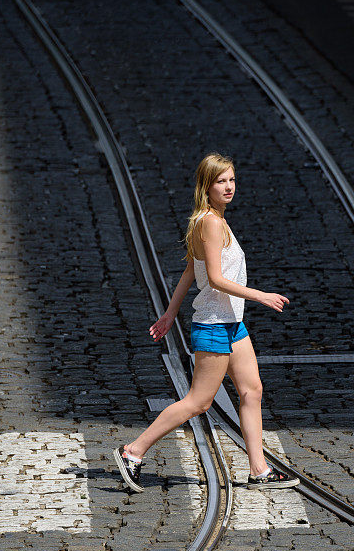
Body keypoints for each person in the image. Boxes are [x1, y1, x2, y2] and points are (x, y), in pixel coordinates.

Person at [113, 151, 300, 493]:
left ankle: (259, 470)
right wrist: (260, 296)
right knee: (199, 402)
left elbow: (190, 270)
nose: (229, 187)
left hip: (232, 323)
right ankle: (132, 451)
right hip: (214, 324)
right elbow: (212, 278)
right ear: (206, 185)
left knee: (251, 390)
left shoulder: (212, 219)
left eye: (232, 180)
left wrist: (170, 313)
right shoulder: (211, 223)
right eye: (221, 181)